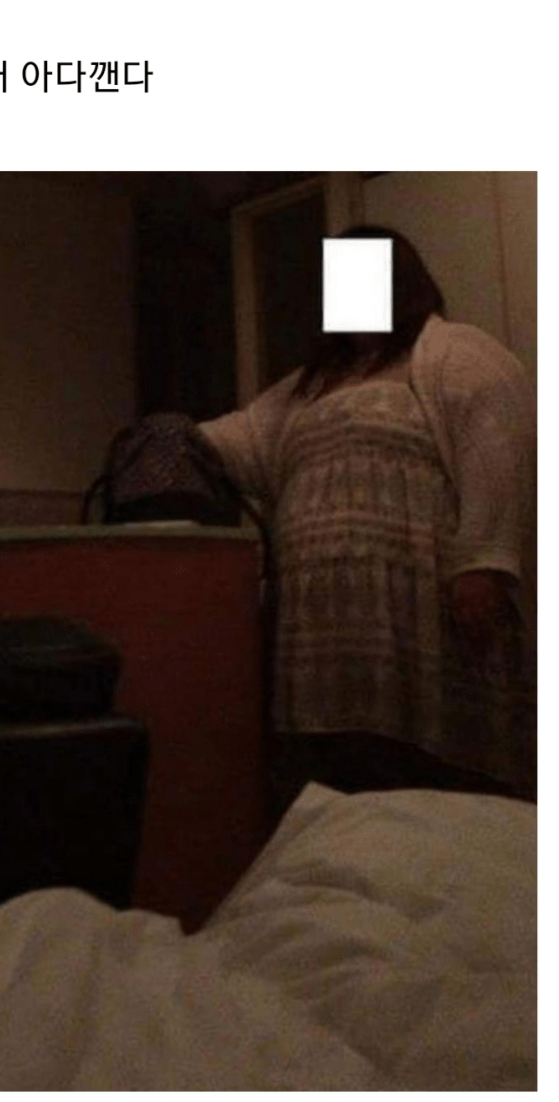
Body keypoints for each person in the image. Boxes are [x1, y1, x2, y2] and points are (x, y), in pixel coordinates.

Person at [199, 226, 536, 819]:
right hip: (319, 625)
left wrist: (482, 561)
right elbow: (240, 440)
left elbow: (496, 448)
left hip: (422, 609)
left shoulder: (456, 353)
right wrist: (167, 440)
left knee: (433, 787)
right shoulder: (309, 385)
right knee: (339, 783)